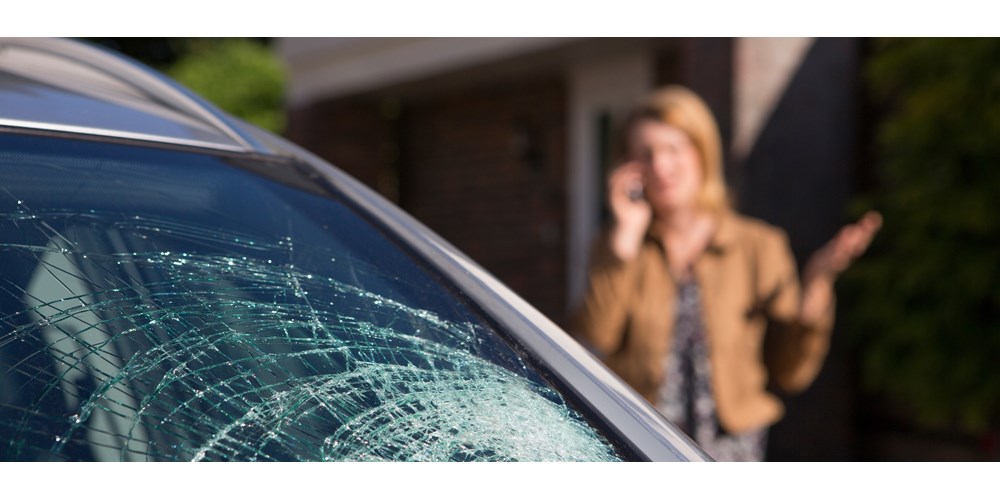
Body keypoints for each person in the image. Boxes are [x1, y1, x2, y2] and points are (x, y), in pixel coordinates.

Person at [571, 85, 882, 461]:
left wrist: (817, 283)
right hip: (640, 444)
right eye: (645, 154)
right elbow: (594, 342)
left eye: (673, 149)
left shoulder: (759, 246)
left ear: (702, 152)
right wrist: (623, 245)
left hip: (733, 451)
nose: (661, 167)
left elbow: (791, 372)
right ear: (627, 168)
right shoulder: (618, 244)